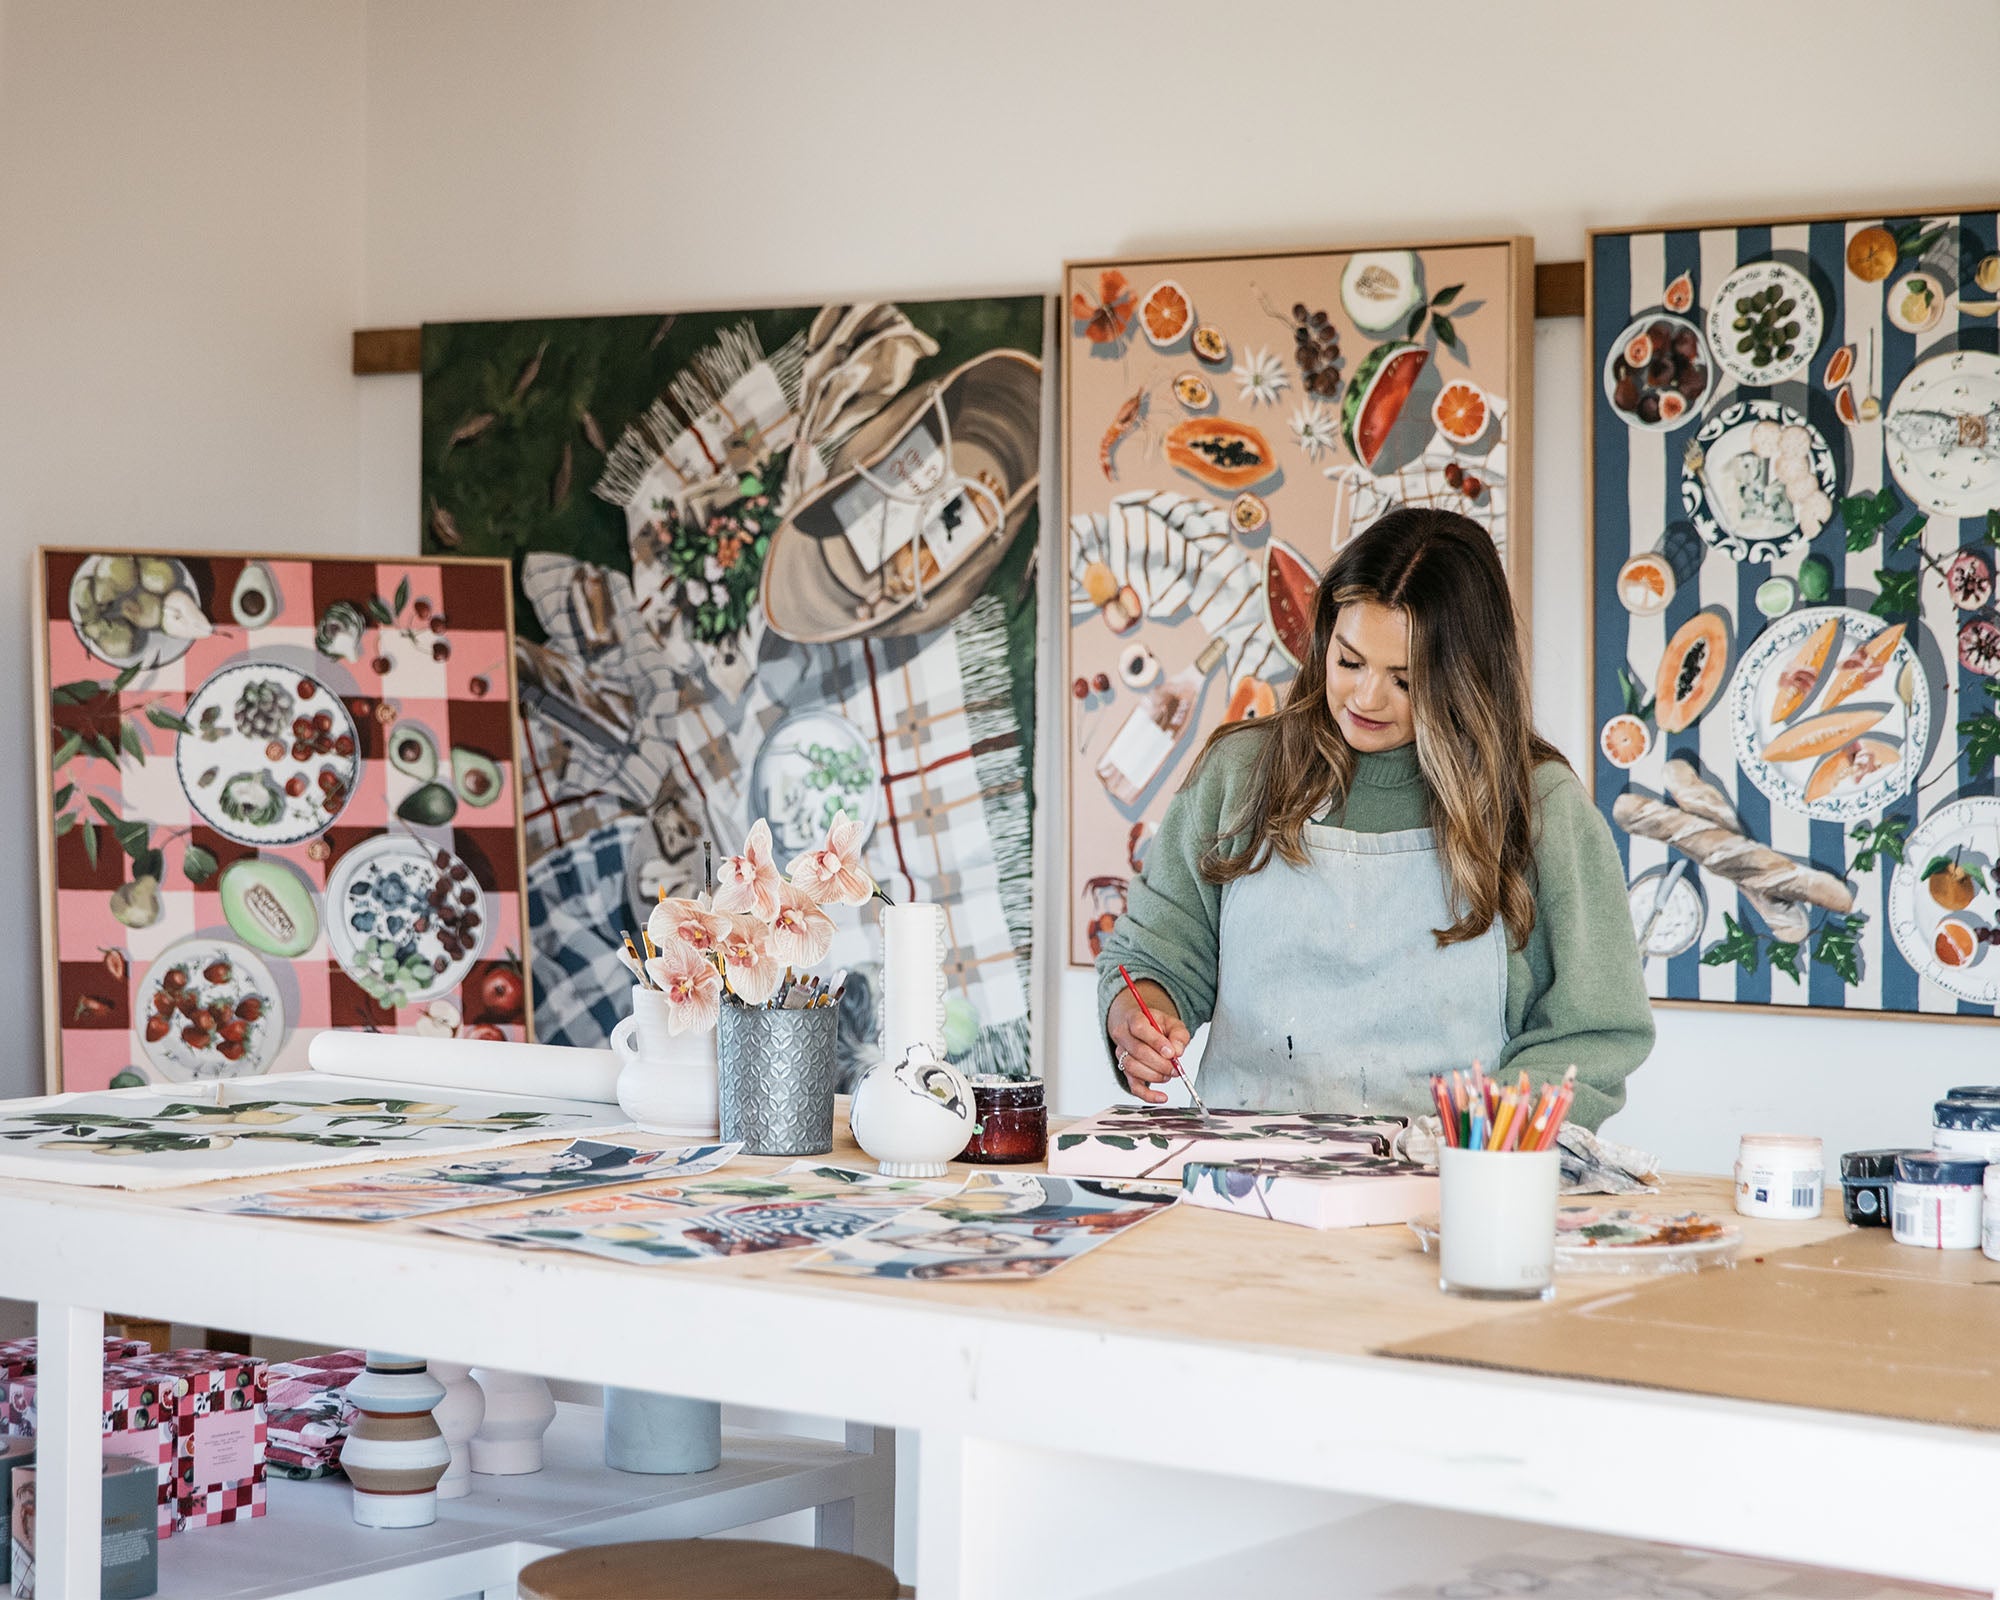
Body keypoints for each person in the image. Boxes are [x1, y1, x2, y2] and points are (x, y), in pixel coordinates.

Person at [1098, 507, 1652, 1130]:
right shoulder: (1240, 771)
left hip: (1446, 1190)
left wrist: (1486, 1150)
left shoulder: (1538, 804)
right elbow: (1155, 951)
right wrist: (1139, 1014)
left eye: (1406, 680)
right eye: (1350, 661)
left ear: (1466, 676)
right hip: (1245, 1182)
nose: (1365, 699)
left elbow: (1594, 1034)